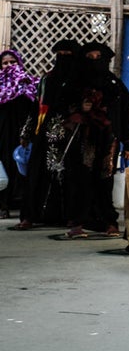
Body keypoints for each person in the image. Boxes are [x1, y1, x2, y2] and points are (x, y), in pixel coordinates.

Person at [12, 39, 80, 230]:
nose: (64, 59)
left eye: (68, 55)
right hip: (43, 134)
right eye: (60, 55)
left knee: (67, 178)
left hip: (71, 136)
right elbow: (36, 108)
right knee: (36, 176)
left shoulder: (80, 80)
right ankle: (29, 217)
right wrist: (26, 133)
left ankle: (69, 217)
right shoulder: (47, 79)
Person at [71, 42, 129, 238]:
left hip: (109, 139)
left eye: (98, 59)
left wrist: (128, 142)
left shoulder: (115, 85)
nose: (94, 63)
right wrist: (80, 107)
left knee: (105, 179)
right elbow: (64, 107)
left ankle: (109, 222)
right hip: (84, 139)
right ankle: (78, 222)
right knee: (81, 178)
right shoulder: (77, 84)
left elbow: (124, 114)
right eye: (90, 59)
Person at [0, 50, 39, 219]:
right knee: (5, 168)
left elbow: (34, 109)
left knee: (24, 168)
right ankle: (3, 205)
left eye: (12, 62)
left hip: (23, 135)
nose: (9, 66)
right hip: (2, 135)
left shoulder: (28, 83)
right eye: (5, 63)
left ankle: (26, 208)